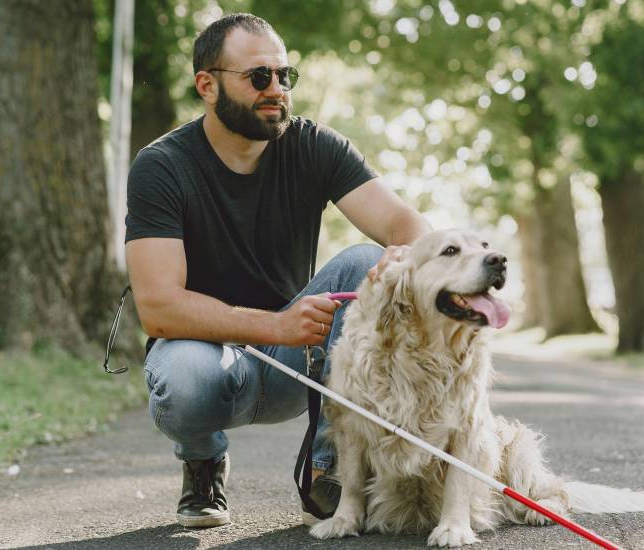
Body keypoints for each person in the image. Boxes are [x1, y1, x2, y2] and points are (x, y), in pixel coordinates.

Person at [124, 13, 431, 529]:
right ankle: (202, 461)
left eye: (285, 76)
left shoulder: (313, 145)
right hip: (209, 359)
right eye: (259, 77)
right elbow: (157, 307)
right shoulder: (161, 166)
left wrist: (402, 255)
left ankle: (328, 465)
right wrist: (275, 326)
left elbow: (404, 222)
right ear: (208, 85)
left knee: (363, 262)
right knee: (185, 378)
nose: (277, 90)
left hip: (297, 359)